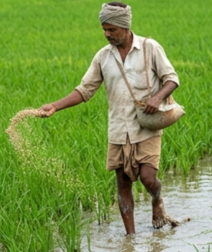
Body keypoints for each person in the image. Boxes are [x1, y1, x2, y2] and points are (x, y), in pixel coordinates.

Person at [39, 2, 181, 234]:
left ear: (125, 27)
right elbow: (85, 90)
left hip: (147, 126)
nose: (106, 34)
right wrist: (55, 106)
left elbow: (172, 78)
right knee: (123, 183)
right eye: (104, 29)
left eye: (111, 29)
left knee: (148, 178)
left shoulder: (149, 48)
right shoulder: (103, 57)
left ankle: (157, 200)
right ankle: (130, 237)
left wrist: (158, 98)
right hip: (118, 129)